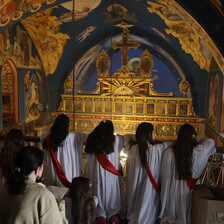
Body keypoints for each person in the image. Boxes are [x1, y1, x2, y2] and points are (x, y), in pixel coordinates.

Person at [158, 124, 216, 224]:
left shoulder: (168, 153)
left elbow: (164, 176)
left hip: (170, 190)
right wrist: (198, 141)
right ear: (192, 137)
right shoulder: (197, 152)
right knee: (183, 215)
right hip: (185, 191)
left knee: (170, 216)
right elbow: (211, 142)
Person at [0, 146, 68, 223]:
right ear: (37, 170)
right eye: (43, 165)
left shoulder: (3, 189)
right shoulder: (43, 195)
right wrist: (61, 207)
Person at [125, 122, 172, 224]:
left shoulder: (132, 149)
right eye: (154, 132)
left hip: (134, 191)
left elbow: (127, 137)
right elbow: (169, 144)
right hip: (148, 192)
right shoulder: (155, 150)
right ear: (150, 134)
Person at [85, 120, 124, 224]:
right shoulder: (116, 140)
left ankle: (100, 216)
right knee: (112, 194)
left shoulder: (90, 140)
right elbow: (129, 138)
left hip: (95, 177)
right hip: (111, 177)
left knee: (97, 194)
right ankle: (113, 216)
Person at [41, 113, 86, 187]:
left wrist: (56, 128)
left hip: (51, 178)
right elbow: (88, 138)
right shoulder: (74, 137)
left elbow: (45, 131)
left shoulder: (46, 136)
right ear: (67, 125)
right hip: (68, 179)